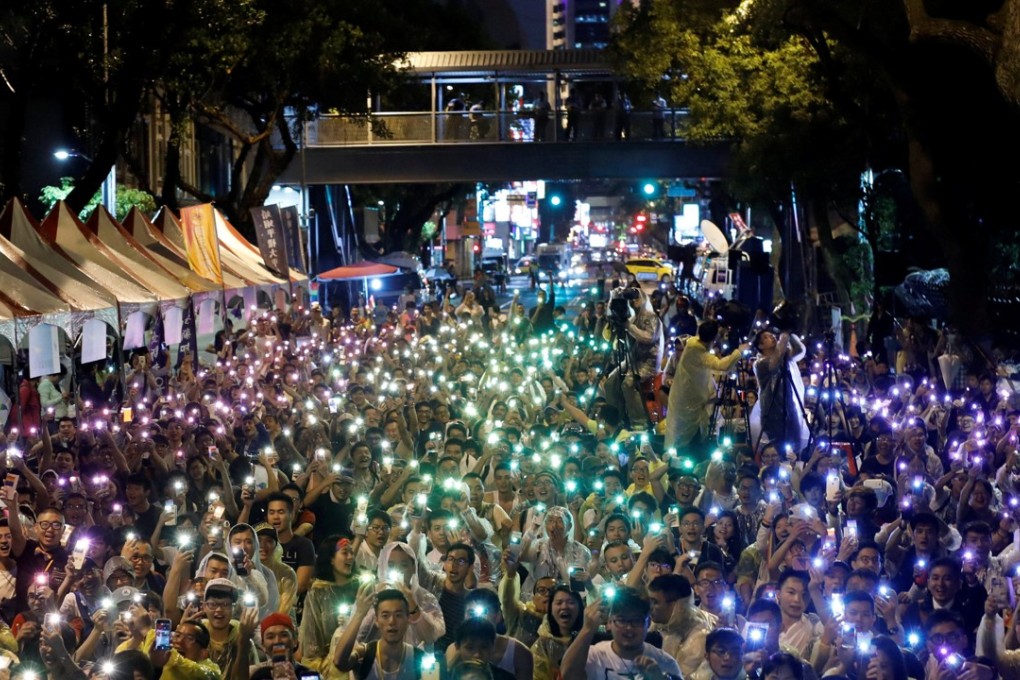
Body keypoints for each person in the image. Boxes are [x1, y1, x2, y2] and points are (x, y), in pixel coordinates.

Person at [560, 585, 683, 680]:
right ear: (610, 622)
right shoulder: (594, 655)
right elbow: (567, 675)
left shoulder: (665, 662)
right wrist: (587, 628)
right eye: (622, 620)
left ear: (648, 623)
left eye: (636, 621)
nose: (629, 627)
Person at [666, 320, 749, 451]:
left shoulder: (693, 342)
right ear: (714, 338)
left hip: (685, 396)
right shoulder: (699, 352)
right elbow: (723, 365)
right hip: (689, 401)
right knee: (686, 437)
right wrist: (739, 351)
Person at [332, 585, 426, 679]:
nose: (392, 622)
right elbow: (339, 662)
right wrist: (359, 613)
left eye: (398, 615)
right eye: (385, 616)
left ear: (408, 619)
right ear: (376, 620)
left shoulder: (418, 658)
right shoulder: (365, 654)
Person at [603, 286, 662, 430]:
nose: (633, 301)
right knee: (610, 382)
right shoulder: (631, 317)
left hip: (648, 361)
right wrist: (614, 302)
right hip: (633, 358)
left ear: (643, 299)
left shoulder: (650, 317)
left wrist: (629, 326)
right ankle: (617, 418)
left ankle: (638, 422)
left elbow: (649, 338)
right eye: (631, 299)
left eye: (637, 298)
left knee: (627, 384)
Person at [749, 329, 809, 453]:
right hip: (772, 411)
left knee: (794, 448)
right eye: (766, 337)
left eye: (771, 335)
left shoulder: (783, 354)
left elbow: (799, 351)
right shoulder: (759, 363)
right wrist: (784, 338)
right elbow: (773, 364)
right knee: (777, 448)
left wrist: (790, 334)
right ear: (760, 346)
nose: (772, 336)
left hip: (789, 408)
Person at [530, 584, 583, 680]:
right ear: (551, 609)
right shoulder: (542, 645)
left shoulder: (588, 639)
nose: (564, 607)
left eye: (571, 602)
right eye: (559, 603)